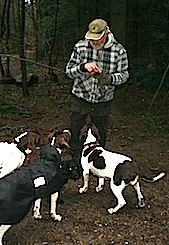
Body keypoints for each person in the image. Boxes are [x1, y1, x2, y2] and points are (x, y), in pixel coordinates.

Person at [65, 18, 129, 162]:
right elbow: (68, 72)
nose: (94, 42)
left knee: (100, 132)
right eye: (92, 39)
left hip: (103, 100)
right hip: (80, 97)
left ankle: (97, 162)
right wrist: (83, 67)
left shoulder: (118, 51)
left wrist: (110, 79)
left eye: (97, 39)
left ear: (106, 33)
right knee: (76, 129)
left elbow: (125, 76)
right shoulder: (80, 47)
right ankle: (76, 161)